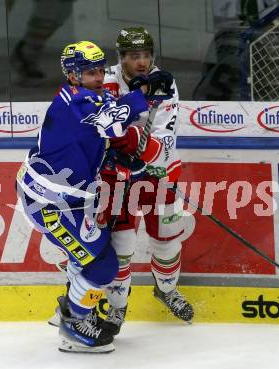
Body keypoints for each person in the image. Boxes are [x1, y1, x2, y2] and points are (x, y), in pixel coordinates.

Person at [16, 40, 170, 353]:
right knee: (102, 266)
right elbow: (110, 118)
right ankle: (73, 323)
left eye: (101, 70)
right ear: (73, 75)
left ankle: (70, 309)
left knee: (92, 256)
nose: (98, 76)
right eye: (89, 72)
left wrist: (113, 157)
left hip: (67, 199)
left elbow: (97, 135)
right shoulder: (79, 101)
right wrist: (143, 94)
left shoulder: (90, 97)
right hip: (51, 204)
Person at [100, 27, 194, 336]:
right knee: (121, 245)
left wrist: (147, 157)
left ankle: (166, 290)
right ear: (122, 58)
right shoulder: (106, 82)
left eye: (145, 56)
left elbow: (165, 139)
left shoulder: (165, 82)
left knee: (167, 238)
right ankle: (117, 305)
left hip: (158, 174)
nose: (141, 62)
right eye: (133, 56)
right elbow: (105, 129)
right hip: (118, 180)